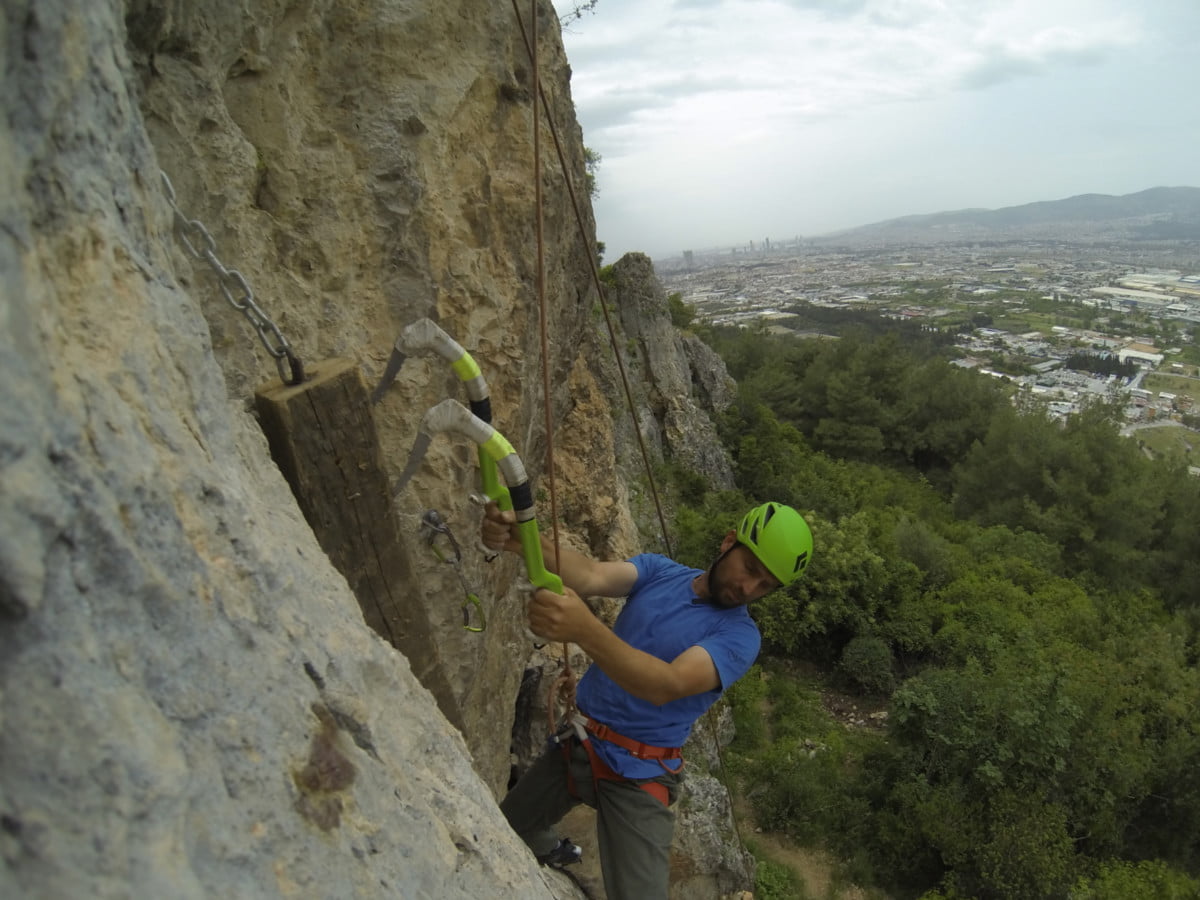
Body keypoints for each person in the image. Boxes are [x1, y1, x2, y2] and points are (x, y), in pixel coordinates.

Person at [482, 500, 813, 900]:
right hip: (580, 746)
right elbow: (589, 575)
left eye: (766, 586)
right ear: (729, 542)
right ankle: (552, 846)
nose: (749, 588)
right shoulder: (661, 572)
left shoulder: (741, 637)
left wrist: (585, 629)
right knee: (501, 827)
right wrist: (522, 538)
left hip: (638, 774)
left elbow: (666, 684)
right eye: (751, 569)